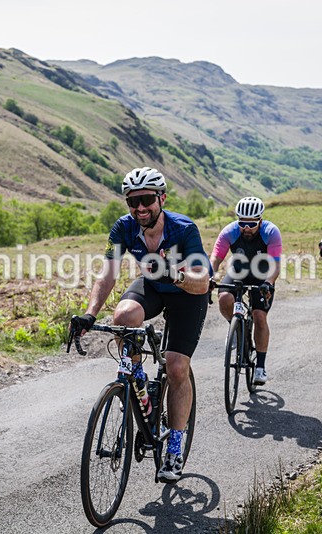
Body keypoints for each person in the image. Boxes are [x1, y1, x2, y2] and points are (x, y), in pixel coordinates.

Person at [70, 167, 211, 484]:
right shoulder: (123, 228)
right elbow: (107, 274)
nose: (140, 207)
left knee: (176, 367)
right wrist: (90, 314)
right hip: (153, 286)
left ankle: (174, 448)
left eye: (147, 199)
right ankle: (137, 380)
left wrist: (174, 275)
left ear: (162, 198)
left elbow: (203, 283)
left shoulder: (183, 230)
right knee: (123, 316)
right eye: (133, 201)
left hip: (187, 293)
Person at [210, 197, 282, 385]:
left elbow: (275, 266)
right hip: (238, 270)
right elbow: (216, 258)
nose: (247, 228)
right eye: (242, 223)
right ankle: (237, 329)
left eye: (251, 223)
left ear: (260, 220)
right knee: (224, 298)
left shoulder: (271, 232)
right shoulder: (230, 231)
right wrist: (210, 276)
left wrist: (269, 282)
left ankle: (260, 366)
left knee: (259, 316)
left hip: (262, 273)